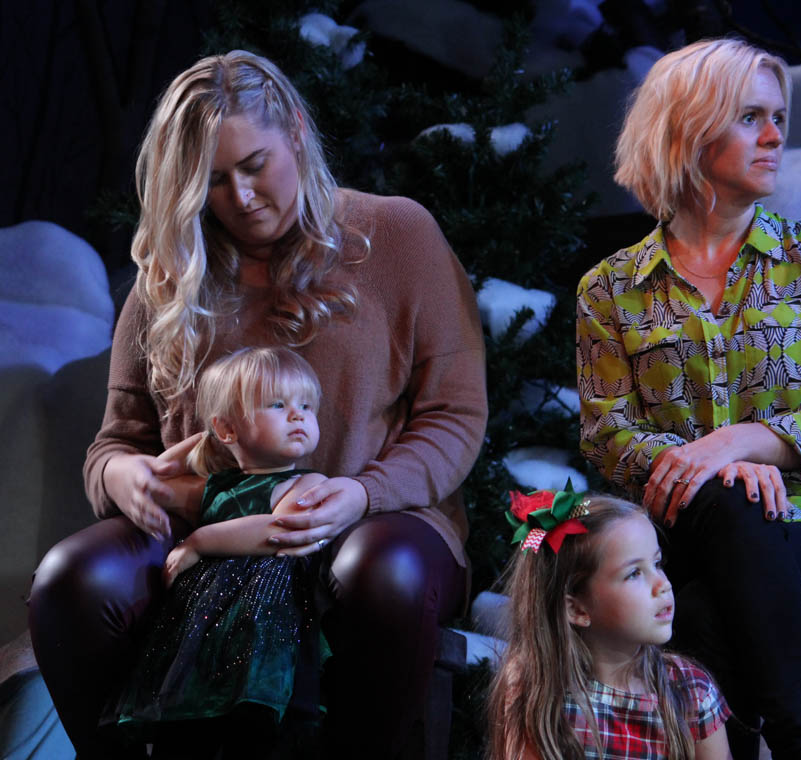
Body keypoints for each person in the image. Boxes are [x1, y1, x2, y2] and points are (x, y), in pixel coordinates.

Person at [28, 49, 487, 760]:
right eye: (213, 180)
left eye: (254, 165)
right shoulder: (170, 273)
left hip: (375, 522)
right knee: (72, 581)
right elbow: (118, 439)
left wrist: (361, 494)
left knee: (381, 573)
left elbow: (454, 417)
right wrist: (121, 477)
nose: (240, 196)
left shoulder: (397, 235)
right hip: (212, 531)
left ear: (297, 133)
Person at [576, 38, 801, 759]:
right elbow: (605, 434)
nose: (775, 135)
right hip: (679, 537)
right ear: (685, 127)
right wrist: (711, 471)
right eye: (749, 117)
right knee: (721, 533)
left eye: (778, 116)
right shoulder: (609, 288)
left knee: (703, 610)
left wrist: (731, 444)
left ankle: (797, 743)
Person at [107, 346, 327, 758]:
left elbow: (277, 529)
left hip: (264, 632)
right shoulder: (218, 487)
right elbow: (157, 479)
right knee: (187, 725)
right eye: (278, 405)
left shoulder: (308, 484)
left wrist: (198, 542)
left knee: (255, 729)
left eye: (307, 406)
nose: (298, 415)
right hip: (199, 632)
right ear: (227, 429)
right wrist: (204, 439)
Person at [487, 487, 732, 760]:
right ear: (577, 608)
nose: (663, 585)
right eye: (634, 573)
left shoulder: (690, 690)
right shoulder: (538, 689)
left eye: (657, 563)